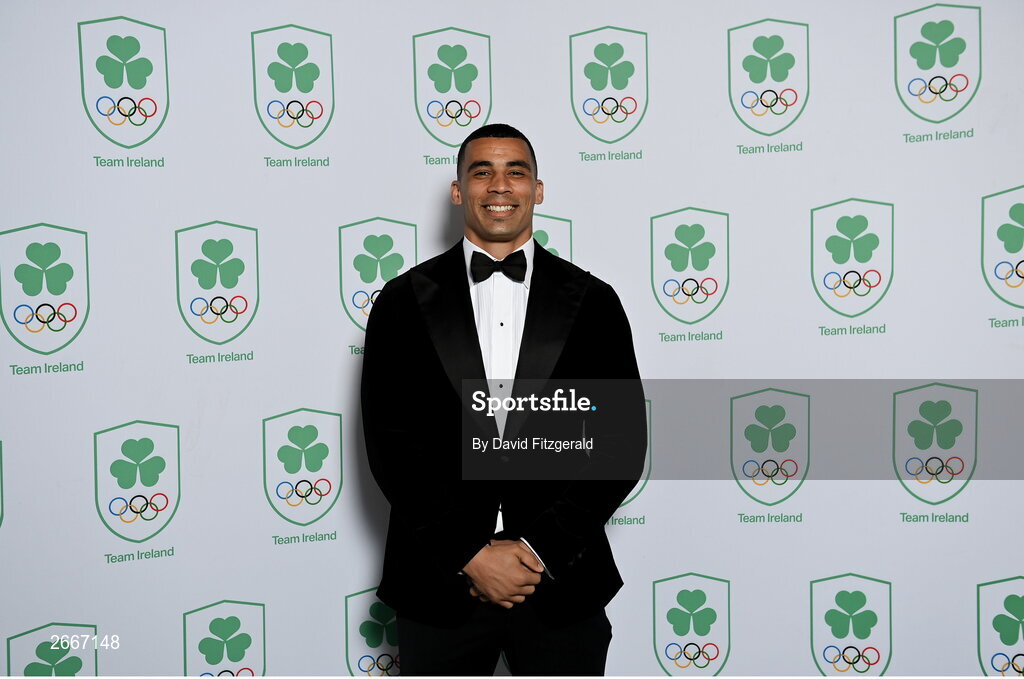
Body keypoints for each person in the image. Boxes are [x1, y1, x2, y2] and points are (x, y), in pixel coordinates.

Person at [361, 123, 645, 675]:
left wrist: (535, 552)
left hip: (562, 582)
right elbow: (391, 445)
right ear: (457, 190)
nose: (499, 185)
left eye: (516, 171)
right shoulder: (400, 303)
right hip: (438, 585)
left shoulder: (594, 302)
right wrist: (470, 553)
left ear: (538, 190)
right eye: (481, 171)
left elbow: (619, 445)